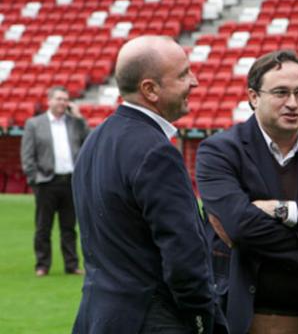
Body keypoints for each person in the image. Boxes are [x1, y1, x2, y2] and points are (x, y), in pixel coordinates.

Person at [196, 50, 298, 334]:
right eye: (281, 93)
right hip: (240, 318)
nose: (293, 103)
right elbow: (240, 226)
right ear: (253, 97)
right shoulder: (219, 152)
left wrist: (283, 210)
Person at [71, 36, 215, 333]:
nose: (195, 82)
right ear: (150, 89)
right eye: (183, 74)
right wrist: (202, 319)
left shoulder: (95, 140)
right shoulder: (155, 151)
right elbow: (183, 254)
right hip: (150, 319)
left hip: (98, 317)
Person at [20, 86, 88, 277]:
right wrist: (34, 179)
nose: (62, 103)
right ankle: (42, 265)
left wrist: (80, 117)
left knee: (69, 228)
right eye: (59, 99)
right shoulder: (34, 124)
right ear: (49, 100)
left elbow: (90, 142)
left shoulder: (75, 123)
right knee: (43, 227)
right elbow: (27, 155)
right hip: (46, 182)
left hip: (70, 182)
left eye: (65, 99)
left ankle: (72, 265)